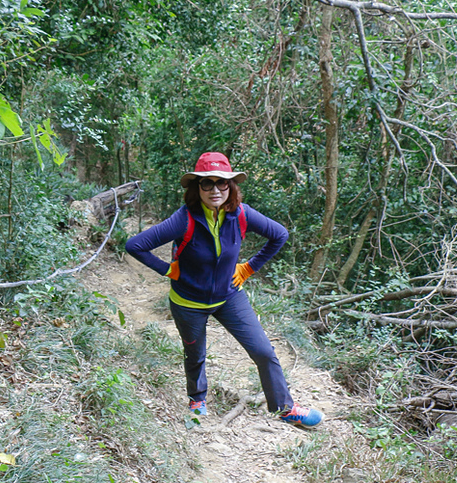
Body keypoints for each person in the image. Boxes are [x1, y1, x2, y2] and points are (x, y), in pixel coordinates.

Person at [125, 152, 322, 428]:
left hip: (229, 297)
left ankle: (284, 408)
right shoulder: (185, 219)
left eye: (222, 183)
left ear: (231, 186)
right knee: (195, 353)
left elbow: (279, 234)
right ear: (197, 187)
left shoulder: (240, 213)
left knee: (263, 351)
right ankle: (197, 401)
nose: (215, 189)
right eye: (207, 183)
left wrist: (249, 268)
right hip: (188, 301)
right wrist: (168, 270)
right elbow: (135, 245)